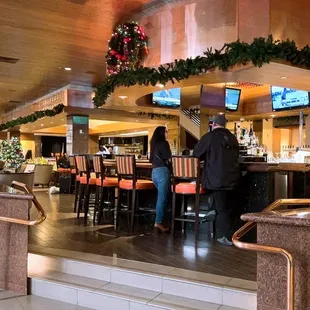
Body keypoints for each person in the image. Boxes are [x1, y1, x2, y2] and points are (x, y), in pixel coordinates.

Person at [193, 114, 239, 246]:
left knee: (221, 208)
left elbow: (196, 154)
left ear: (213, 124)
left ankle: (227, 237)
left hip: (216, 180)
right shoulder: (232, 138)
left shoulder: (210, 137)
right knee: (224, 204)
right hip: (233, 178)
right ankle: (211, 209)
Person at [150, 126, 171, 233]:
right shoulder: (164, 144)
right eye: (166, 132)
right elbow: (169, 158)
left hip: (154, 173)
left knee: (163, 197)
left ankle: (162, 219)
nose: (168, 133)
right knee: (162, 199)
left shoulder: (153, 144)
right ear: (162, 133)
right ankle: (158, 222)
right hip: (163, 172)